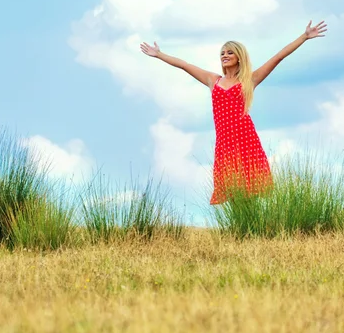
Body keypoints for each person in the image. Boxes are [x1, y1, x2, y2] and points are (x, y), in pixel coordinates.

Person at [140, 20, 327, 204]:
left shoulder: (250, 80)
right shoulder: (213, 80)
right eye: (222, 53)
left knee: (250, 191)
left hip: (246, 140)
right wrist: (159, 54)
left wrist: (304, 37)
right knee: (232, 192)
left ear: (239, 57)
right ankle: (241, 231)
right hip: (225, 143)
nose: (224, 55)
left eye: (230, 52)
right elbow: (184, 64)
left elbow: (278, 57)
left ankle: (253, 230)